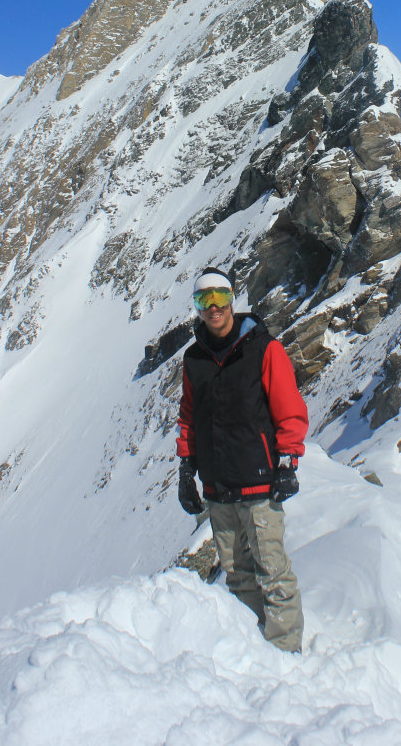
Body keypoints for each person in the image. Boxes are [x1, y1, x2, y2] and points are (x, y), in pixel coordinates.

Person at [176, 266, 308, 653]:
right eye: (204, 300)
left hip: (260, 481)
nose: (213, 307)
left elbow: (289, 409)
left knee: (273, 570)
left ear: (232, 299)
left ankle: (287, 653)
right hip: (218, 487)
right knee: (238, 575)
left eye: (219, 297)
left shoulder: (264, 349)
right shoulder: (194, 360)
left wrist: (288, 462)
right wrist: (187, 469)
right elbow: (189, 416)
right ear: (197, 308)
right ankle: (258, 652)